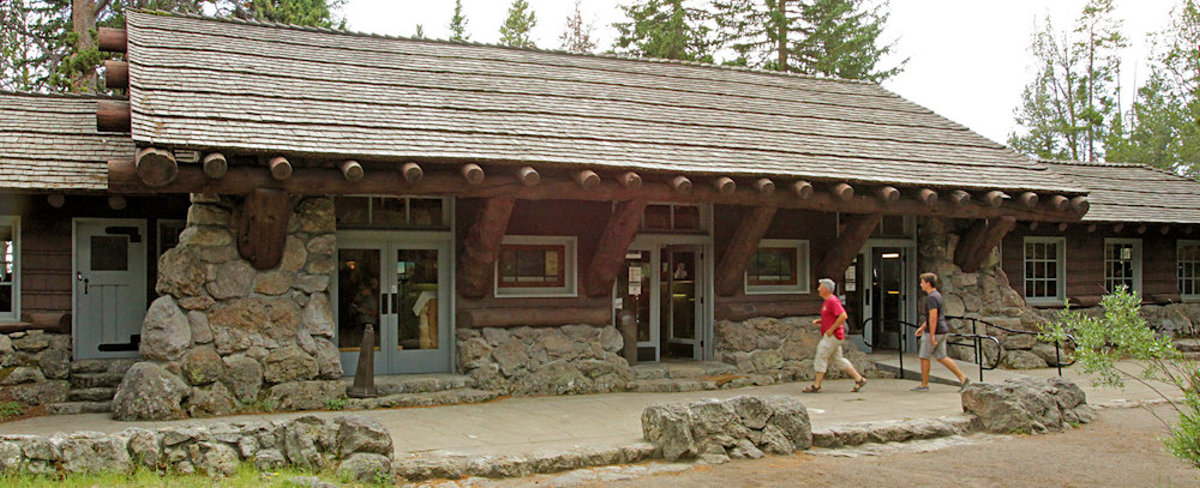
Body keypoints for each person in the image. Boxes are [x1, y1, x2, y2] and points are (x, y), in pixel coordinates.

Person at [803, 278, 868, 393]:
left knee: (821, 356)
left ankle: (816, 386)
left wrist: (831, 329)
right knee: (838, 359)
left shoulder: (833, 301)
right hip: (834, 335)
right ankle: (859, 379)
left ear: (826, 289)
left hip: (832, 335)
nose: (818, 289)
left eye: (820, 286)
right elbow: (832, 317)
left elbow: (843, 316)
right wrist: (822, 322)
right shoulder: (828, 301)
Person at [912, 272, 970, 392]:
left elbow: (933, 317)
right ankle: (963, 378)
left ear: (928, 283)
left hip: (934, 331)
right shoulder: (937, 295)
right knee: (942, 356)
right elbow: (932, 316)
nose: (920, 285)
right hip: (942, 330)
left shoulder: (931, 298)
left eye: (922, 282)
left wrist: (931, 335)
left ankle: (924, 384)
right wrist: (922, 327)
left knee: (924, 356)